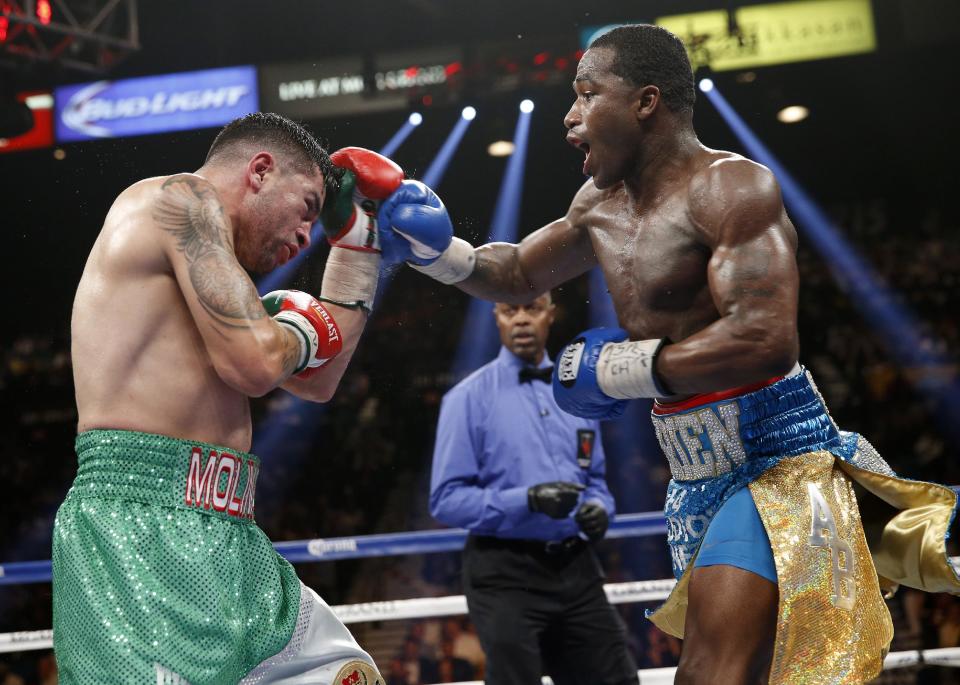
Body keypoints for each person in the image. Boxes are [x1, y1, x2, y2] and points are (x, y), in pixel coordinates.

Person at [382, 23, 960, 685]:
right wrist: (434, 250)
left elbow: (765, 337)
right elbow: (513, 271)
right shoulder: (597, 204)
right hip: (692, 475)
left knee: (709, 669)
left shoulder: (731, 188)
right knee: (758, 671)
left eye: (585, 94)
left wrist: (625, 369)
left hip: (775, 461)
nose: (569, 116)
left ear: (645, 102)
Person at [55, 112, 445, 684]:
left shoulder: (213, 280)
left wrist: (359, 253)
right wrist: (304, 329)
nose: (306, 236)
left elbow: (318, 381)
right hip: (138, 534)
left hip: (230, 532)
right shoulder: (180, 199)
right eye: (308, 208)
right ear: (261, 170)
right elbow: (260, 362)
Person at [429, 292, 637, 685]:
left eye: (532, 309)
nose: (522, 319)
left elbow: (595, 480)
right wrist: (526, 500)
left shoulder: (580, 393)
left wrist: (599, 509)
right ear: (496, 318)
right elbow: (445, 499)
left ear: (550, 315)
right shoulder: (467, 398)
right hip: (505, 573)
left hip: (577, 566)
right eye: (511, 310)